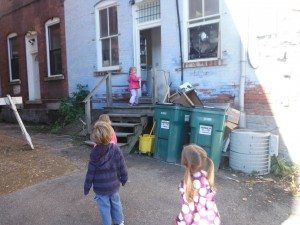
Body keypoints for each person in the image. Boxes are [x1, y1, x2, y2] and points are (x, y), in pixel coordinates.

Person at [84, 121, 128, 225]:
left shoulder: (94, 153)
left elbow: (90, 173)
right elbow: (122, 166)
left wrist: (87, 187)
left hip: (100, 188)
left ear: (95, 137)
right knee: (116, 204)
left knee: (104, 208)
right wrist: (124, 178)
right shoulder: (115, 149)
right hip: (113, 185)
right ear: (110, 134)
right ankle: (119, 222)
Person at [175, 144, 221, 225]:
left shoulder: (188, 183)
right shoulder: (205, 175)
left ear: (184, 162)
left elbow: (187, 211)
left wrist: (178, 221)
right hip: (213, 219)